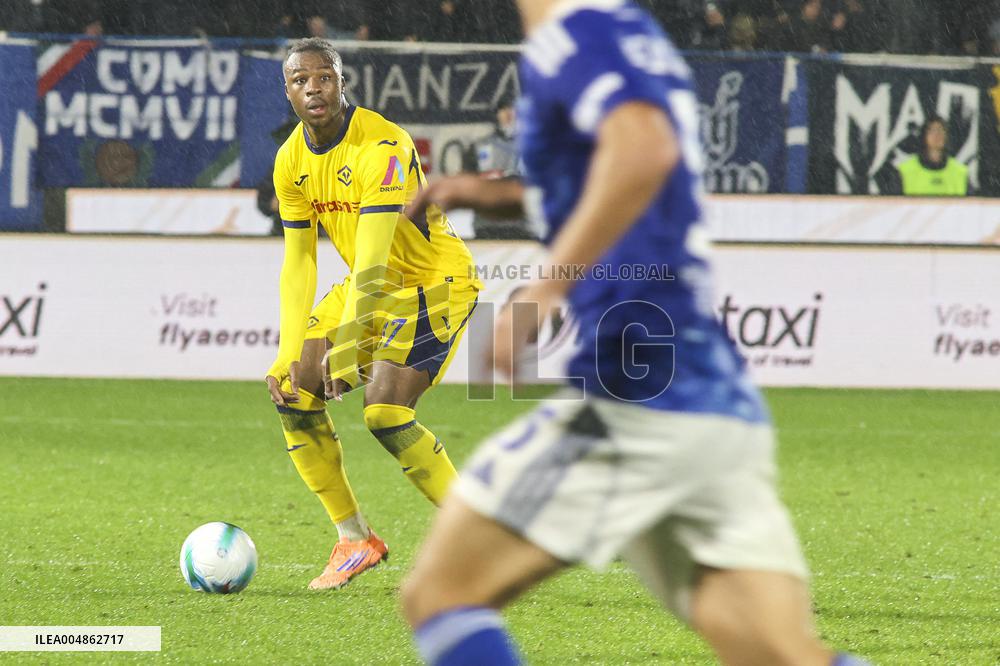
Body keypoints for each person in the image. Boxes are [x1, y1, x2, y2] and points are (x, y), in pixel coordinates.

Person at [400, 2, 871, 665]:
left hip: (639, 395)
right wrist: (494, 194)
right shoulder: (628, 33)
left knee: (441, 594)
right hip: (715, 399)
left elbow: (644, 149)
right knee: (783, 655)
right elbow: (609, 171)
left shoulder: (576, 35)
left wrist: (543, 288)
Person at [265, 37, 481, 590]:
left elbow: (376, 259)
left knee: (384, 413)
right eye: (300, 80)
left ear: (341, 82)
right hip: (371, 283)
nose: (313, 88)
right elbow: (299, 263)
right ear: (286, 89)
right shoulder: (290, 160)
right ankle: (354, 538)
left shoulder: (382, 145)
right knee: (296, 392)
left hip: (434, 284)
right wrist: (289, 352)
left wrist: (346, 343)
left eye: (324, 77)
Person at [471, 93, 536, 240]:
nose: (508, 113)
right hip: (486, 226)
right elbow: (467, 182)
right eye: (503, 109)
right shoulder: (479, 146)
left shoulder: (533, 147)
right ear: (496, 114)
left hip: (522, 227)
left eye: (513, 109)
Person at [896, 115, 969, 196]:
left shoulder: (960, 172)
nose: (937, 135)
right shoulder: (906, 171)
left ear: (947, 136)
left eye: (941, 130)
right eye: (932, 131)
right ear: (924, 136)